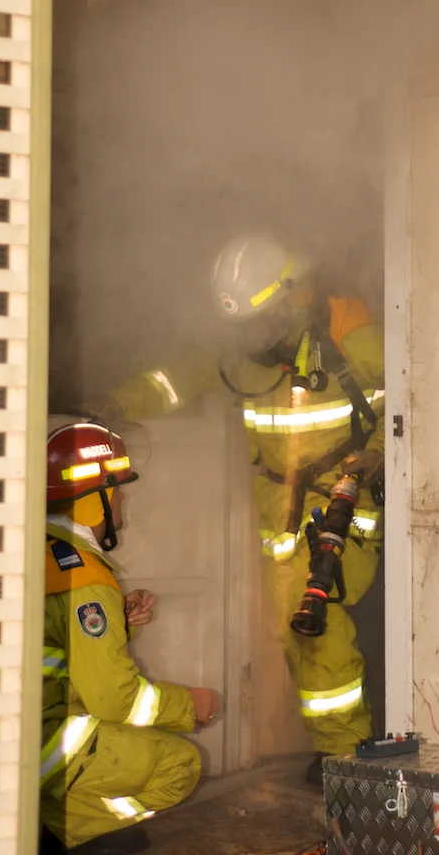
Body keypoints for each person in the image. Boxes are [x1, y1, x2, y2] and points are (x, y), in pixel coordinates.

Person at [84, 233, 384, 785]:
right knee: (296, 628)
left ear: (289, 300)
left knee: (318, 621)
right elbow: (176, 379)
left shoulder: (344, 327)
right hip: (282, 511)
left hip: (346, 502)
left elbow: (414, 388)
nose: (250, 336)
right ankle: (340, 751)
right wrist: (115, 404)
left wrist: (378, 454)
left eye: (258, 321)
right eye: (242, 325)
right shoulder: (241, 353)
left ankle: (346, 758)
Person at [41, 421, 219, 853]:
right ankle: (64, 833)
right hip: (32, 743)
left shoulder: (36, 550)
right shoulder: (83, 577)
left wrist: (117, 618)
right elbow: (114, 699)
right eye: (117, 489)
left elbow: (55, 641)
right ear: (95, 500)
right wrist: (189, 705)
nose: (122, 498)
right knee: (181, 765)